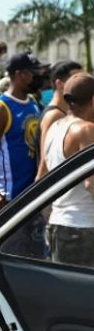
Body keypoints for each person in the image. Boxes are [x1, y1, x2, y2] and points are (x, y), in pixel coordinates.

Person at [0, 52, 48, 257]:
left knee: (35, 259)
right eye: (33, 73)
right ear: (20, 75)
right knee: (13, 259)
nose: (38, 77)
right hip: (10, 199)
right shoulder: (1, 109)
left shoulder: (32, 104)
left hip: (32, 197)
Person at [41, 73, 94, 266]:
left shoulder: (54, 126)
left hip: (59, 224)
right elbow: (92, 184)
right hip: (83, 228)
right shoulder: (85, 130)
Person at [37, 60, 83, 180]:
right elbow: (45, 164)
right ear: (59, 84)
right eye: (75, 80)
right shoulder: (54, 115)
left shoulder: (64, 112)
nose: (81, 84)